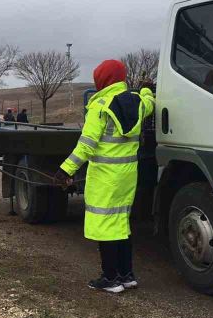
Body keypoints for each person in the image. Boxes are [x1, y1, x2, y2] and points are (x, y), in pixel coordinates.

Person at [55, 60, 155, 293]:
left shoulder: (100, 105)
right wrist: (146, 88)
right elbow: (150, 102)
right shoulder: (138, 102)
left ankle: (110, 278)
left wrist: (65, 169)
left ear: (102, 79)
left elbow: (86, 145)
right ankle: (127, 275)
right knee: (121, 223)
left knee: (104, 225)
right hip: (127, 175)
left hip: (105, 177)